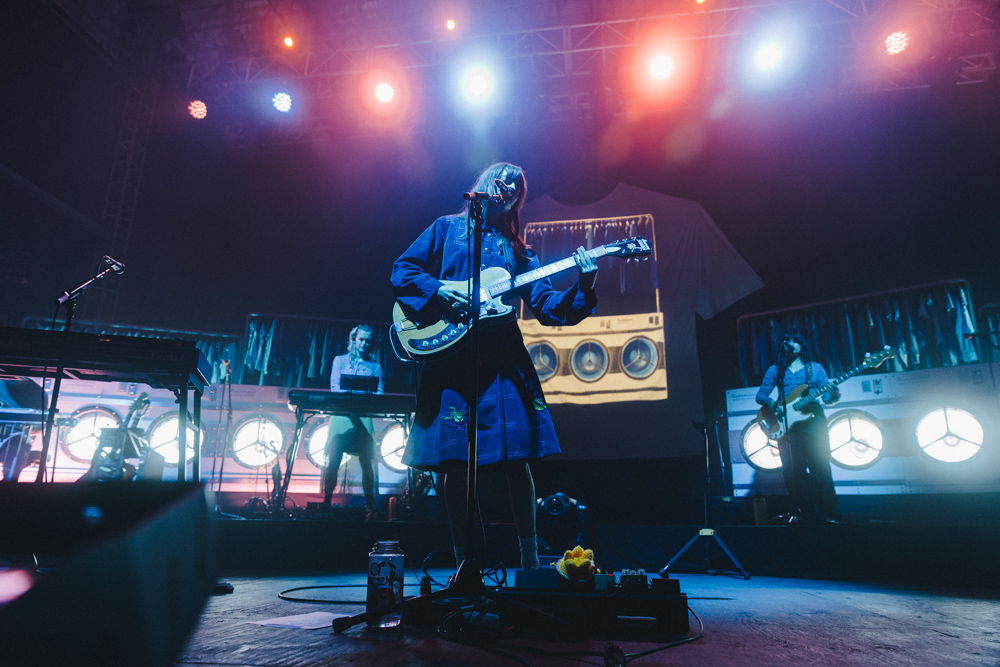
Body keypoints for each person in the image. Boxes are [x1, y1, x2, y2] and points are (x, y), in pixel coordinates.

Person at [390, 162, 598, 570]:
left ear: (518, 200)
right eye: (504, 180)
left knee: (514, 459)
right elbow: (404, 270)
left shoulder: (519, 251)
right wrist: (440, 293)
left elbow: (548, 306)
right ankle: (465, 563)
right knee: (454, 464)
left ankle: (530, 560)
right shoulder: (446, 228)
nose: (511, 188)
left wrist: (584, 286)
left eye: (518, 187)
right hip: (450, 356)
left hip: (501, 359)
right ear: (486, 185)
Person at [755, 330, 840, 523]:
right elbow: (760, 396)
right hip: (787, 424)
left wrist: (833, 394)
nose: (789, 343)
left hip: (814, 422)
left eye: (793, 341)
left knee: (820, 466)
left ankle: (828, 511)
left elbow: (827, 399)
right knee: (793, 470)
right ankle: (805, 511)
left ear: (802, 345)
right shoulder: (775, 370)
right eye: (785, 341)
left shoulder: (815, 369)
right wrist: (774, 405)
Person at [322, 325, 383, 520]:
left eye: (368, 340)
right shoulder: (340, 361)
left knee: (367, 461)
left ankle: (370, 504)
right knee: (334, 460)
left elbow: (379, 393)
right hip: (342, 417)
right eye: (361, 339)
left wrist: (362, 395)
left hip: (363, 418)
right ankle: (326, 500)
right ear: (354, 340)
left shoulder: (376, 367)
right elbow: (335, 388)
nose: (364, 343)